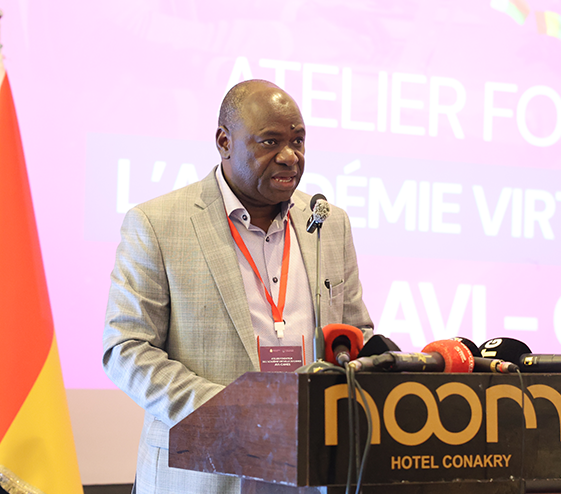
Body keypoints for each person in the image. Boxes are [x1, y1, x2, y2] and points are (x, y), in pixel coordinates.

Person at [102, 79, 373, 494]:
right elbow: (126, 350)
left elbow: (356, 335)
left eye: (298, 141)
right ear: (224, 142)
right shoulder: (158, 224)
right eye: (270, 142)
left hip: (314, 471)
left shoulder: (328, 224)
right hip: (204, 475)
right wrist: (237, 415)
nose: (290, 156)